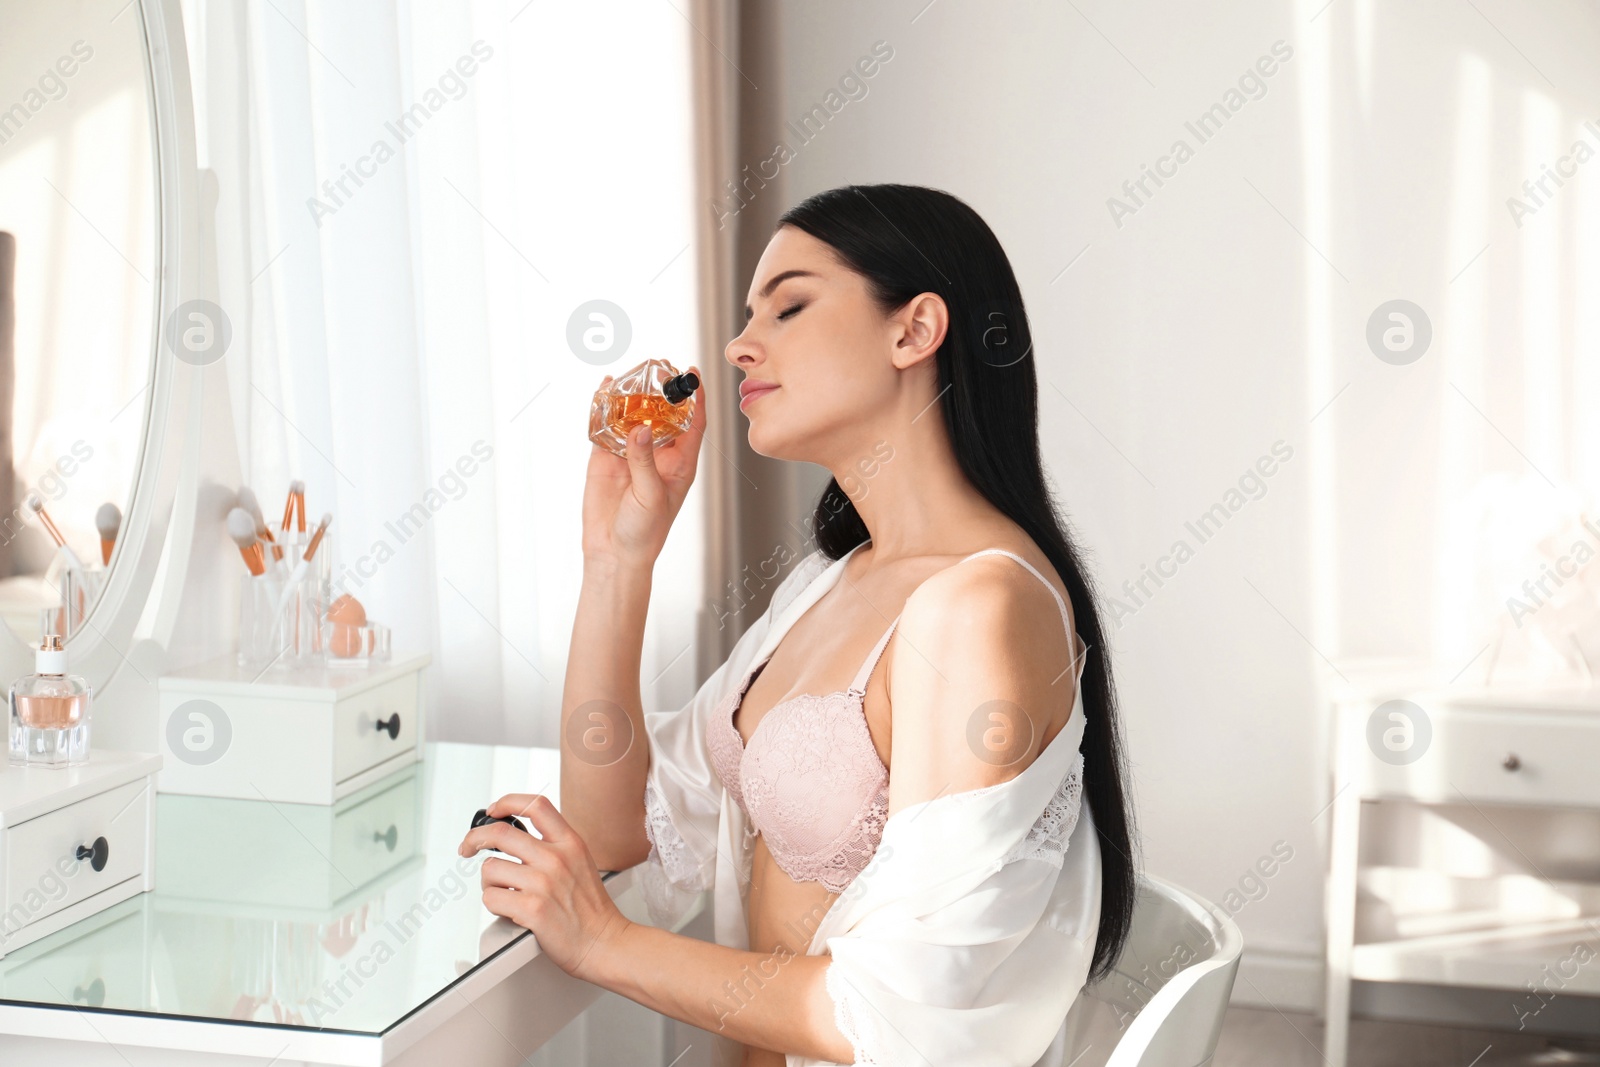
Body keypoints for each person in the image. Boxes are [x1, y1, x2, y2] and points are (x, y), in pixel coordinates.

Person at [459, 184, 1137, 1066]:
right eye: (748, 316)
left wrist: (601, 942)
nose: (742, 344)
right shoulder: (831, 582)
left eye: (789, 305)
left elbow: (894, 1017)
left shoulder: (982, 611)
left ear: (914, 330)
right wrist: (618, 563)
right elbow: (621, 829)